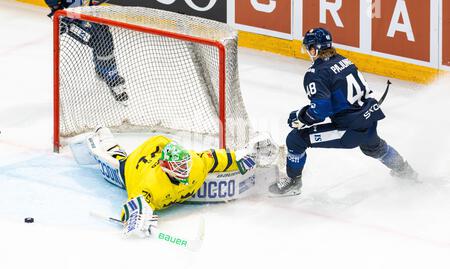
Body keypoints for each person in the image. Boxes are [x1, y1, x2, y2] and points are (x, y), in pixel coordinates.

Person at [269, 28, 418, 196]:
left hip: (349, 131)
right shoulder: (344, 61)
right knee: (375, 148)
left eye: (308, 48)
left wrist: (300, 117)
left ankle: (293, 183)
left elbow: (320, 111)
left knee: (295, 139)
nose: (308, 52)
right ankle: (406, 171)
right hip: (369, 119)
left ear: (314, 49)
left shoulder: (315, 73)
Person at [84, 126, 269, 238]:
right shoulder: (150, 186)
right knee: (117, 159)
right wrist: (135, 219)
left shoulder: (195, 163)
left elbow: (216, 159)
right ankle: (105, 135)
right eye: (179, 167)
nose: (185, 170)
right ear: (166, 168)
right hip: (133, 167)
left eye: (184, 164)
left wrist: (240, 157)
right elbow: (133, 203)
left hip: (157, 148)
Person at [45, 0, 128, 104]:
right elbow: (58, 9)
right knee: (100, 41)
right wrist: (61, 17)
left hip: (85, 12)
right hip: (69, 20)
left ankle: (103, 71)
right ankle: (111, 77)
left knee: (104, 36)